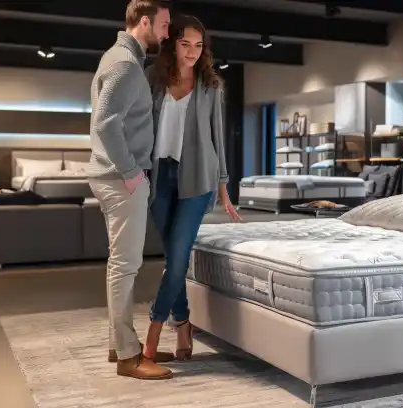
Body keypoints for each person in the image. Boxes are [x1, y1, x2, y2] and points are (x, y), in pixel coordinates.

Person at [142, 14, 242, 368]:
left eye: (198, 46)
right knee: (175, 262)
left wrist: (224, 190)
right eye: (185, 44)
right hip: (160, 179)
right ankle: (183, 324)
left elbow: (219, 138)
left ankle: (153, 336)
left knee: (180, 259)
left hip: (198, 179)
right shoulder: (153, 78)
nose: (192, 52)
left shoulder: (211, 85)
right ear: (172, 43)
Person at [87, 0, 173, 380]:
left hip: (113, 178)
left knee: (118, 264)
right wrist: (132, 173)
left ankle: (118, 344)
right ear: (144, 22)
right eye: (165, 25)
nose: (167, 33)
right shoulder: (123, 63)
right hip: (122, 180)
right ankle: (128, 356)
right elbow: (106, 123)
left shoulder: (122, 58)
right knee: (126, 266)